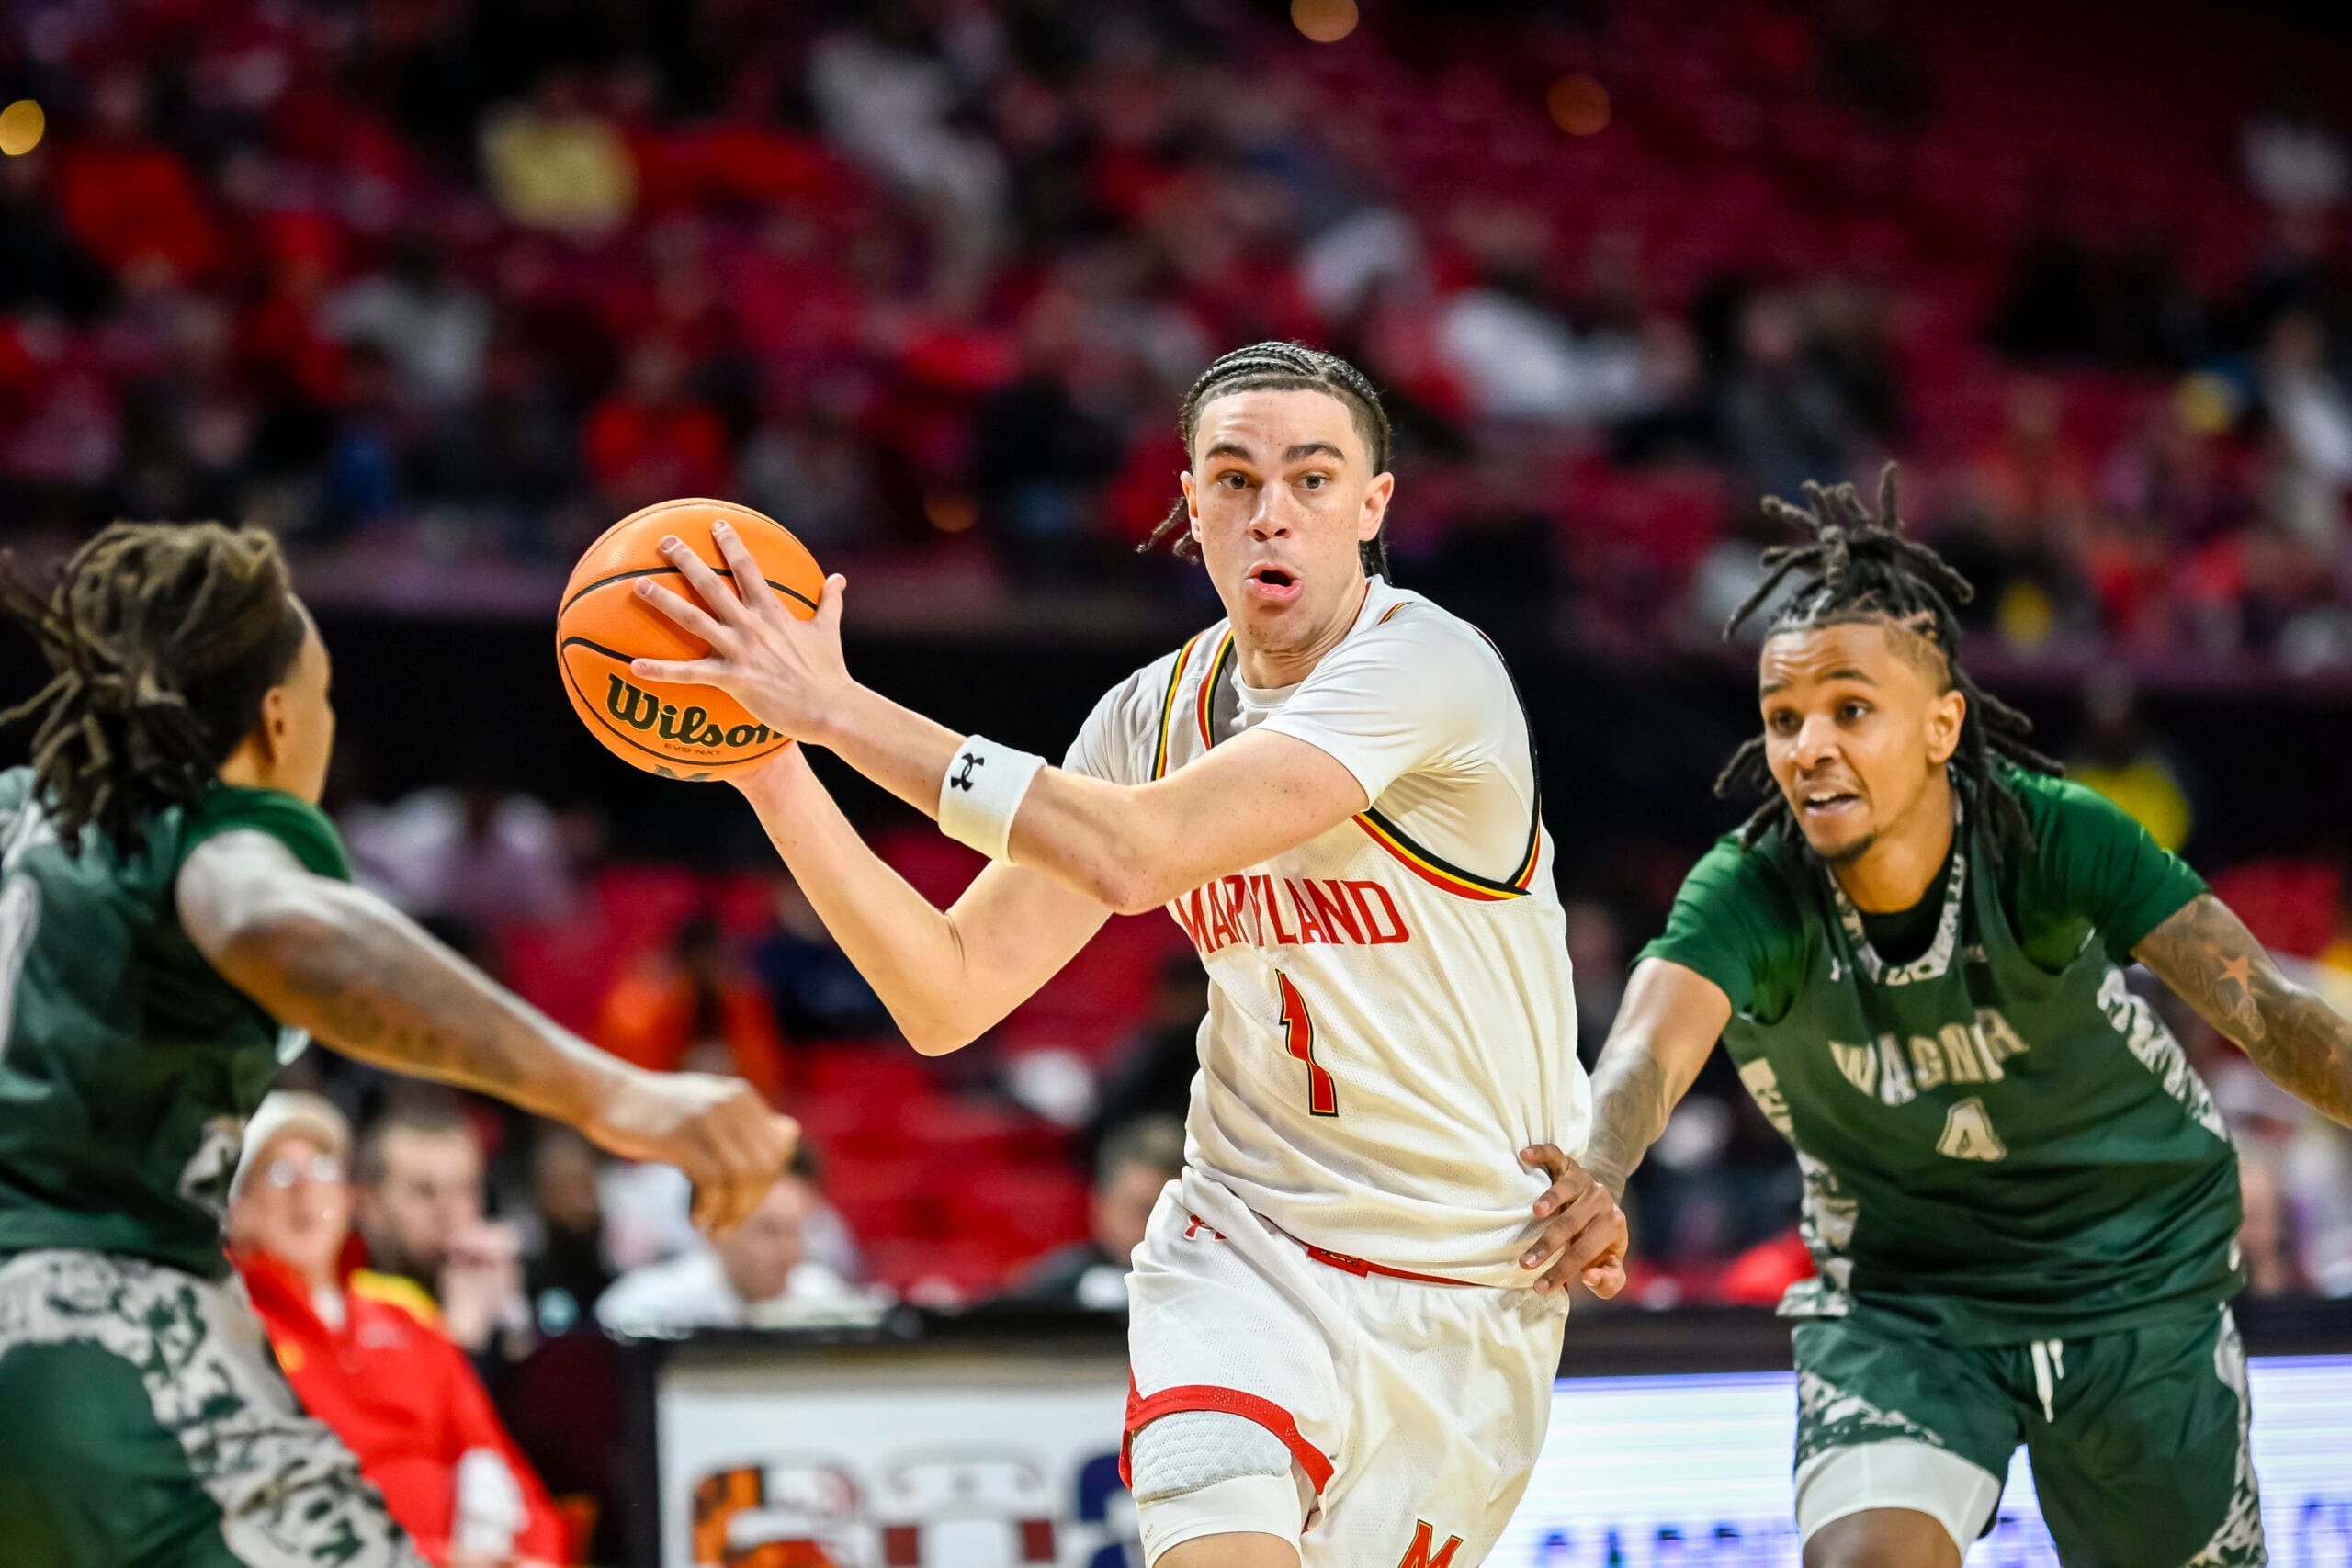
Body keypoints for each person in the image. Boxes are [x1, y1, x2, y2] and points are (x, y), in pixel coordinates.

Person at [631, 342, 1600, 1568]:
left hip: (1467, 1274)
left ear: (1374, 506)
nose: (1272, 511)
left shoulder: (1432, 669)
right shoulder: (1149, 713)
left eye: (1312, 478)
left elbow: (1141, 855)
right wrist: (766, 760)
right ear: (1192, 506)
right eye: (1235, 478)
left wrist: (837, 709)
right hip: (1248, 1240)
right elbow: (945, 989)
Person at [1527, 470, 2352, 1568]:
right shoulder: (1749, 888)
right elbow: (1644, 1046)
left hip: (2130, 1274)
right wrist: (1598, 1165)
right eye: (1783, 719)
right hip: (1904, 1299)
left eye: (1850, 710)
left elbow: (2268, 1012)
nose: (1808, 744)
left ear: (1940, 723)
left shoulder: (2055, 836)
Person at [0, 522, 797, 1568]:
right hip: (99, 1342)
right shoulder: (207, 829)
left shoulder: (22, 817)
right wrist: (616, 1097)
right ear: (278, 719)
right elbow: (269, 921)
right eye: (326, 700)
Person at [227, 1093, 567, 1568]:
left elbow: (502, 1462)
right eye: (280, 1175)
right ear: (237, 1209)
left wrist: (538, 1558)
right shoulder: (226, 1332)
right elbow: (269, 1513)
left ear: (347, 1198)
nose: (306, 1193)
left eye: (322, 1170)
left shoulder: (405, 1321)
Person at [594, 1158, 862, 1334]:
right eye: (769, 1232)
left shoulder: (822, 1296)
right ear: (718, 1233)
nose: (788, 1252)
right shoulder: (652, 1302)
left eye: (796, 1233)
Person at [355, 1100, 530, 1366]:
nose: (449, 1211)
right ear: (368, 1204)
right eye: (424, 1191)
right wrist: (462, 1338)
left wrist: (512, 1318)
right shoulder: (346, 1303)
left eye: (464, 1190)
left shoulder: (502, 1274)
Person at [1015, 1115, 1187, 1310]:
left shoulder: (1215, 1288)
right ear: (1102, 1204)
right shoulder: (1049, 1291)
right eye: (1144, 1211)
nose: (1156, 1229)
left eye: (1174, 1214)